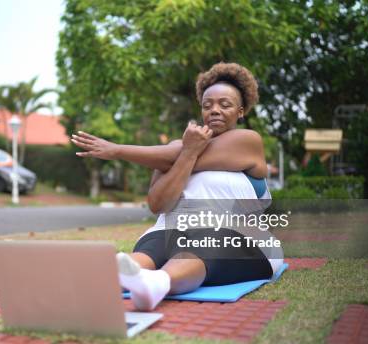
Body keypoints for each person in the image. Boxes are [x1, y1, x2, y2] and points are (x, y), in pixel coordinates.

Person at [71, 62, 284, 311]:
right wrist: (187, 153)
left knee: (203, 244)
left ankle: (157, 283)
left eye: (225, 105)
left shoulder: (247, 141)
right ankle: (107, 279)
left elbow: (173, 154)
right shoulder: (170, 152)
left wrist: (117, 150)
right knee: (148, 252)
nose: (215, 110)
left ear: (240, 111)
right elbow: (158, 204)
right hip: (172, 230)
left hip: (235, 235)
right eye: (207, 105)